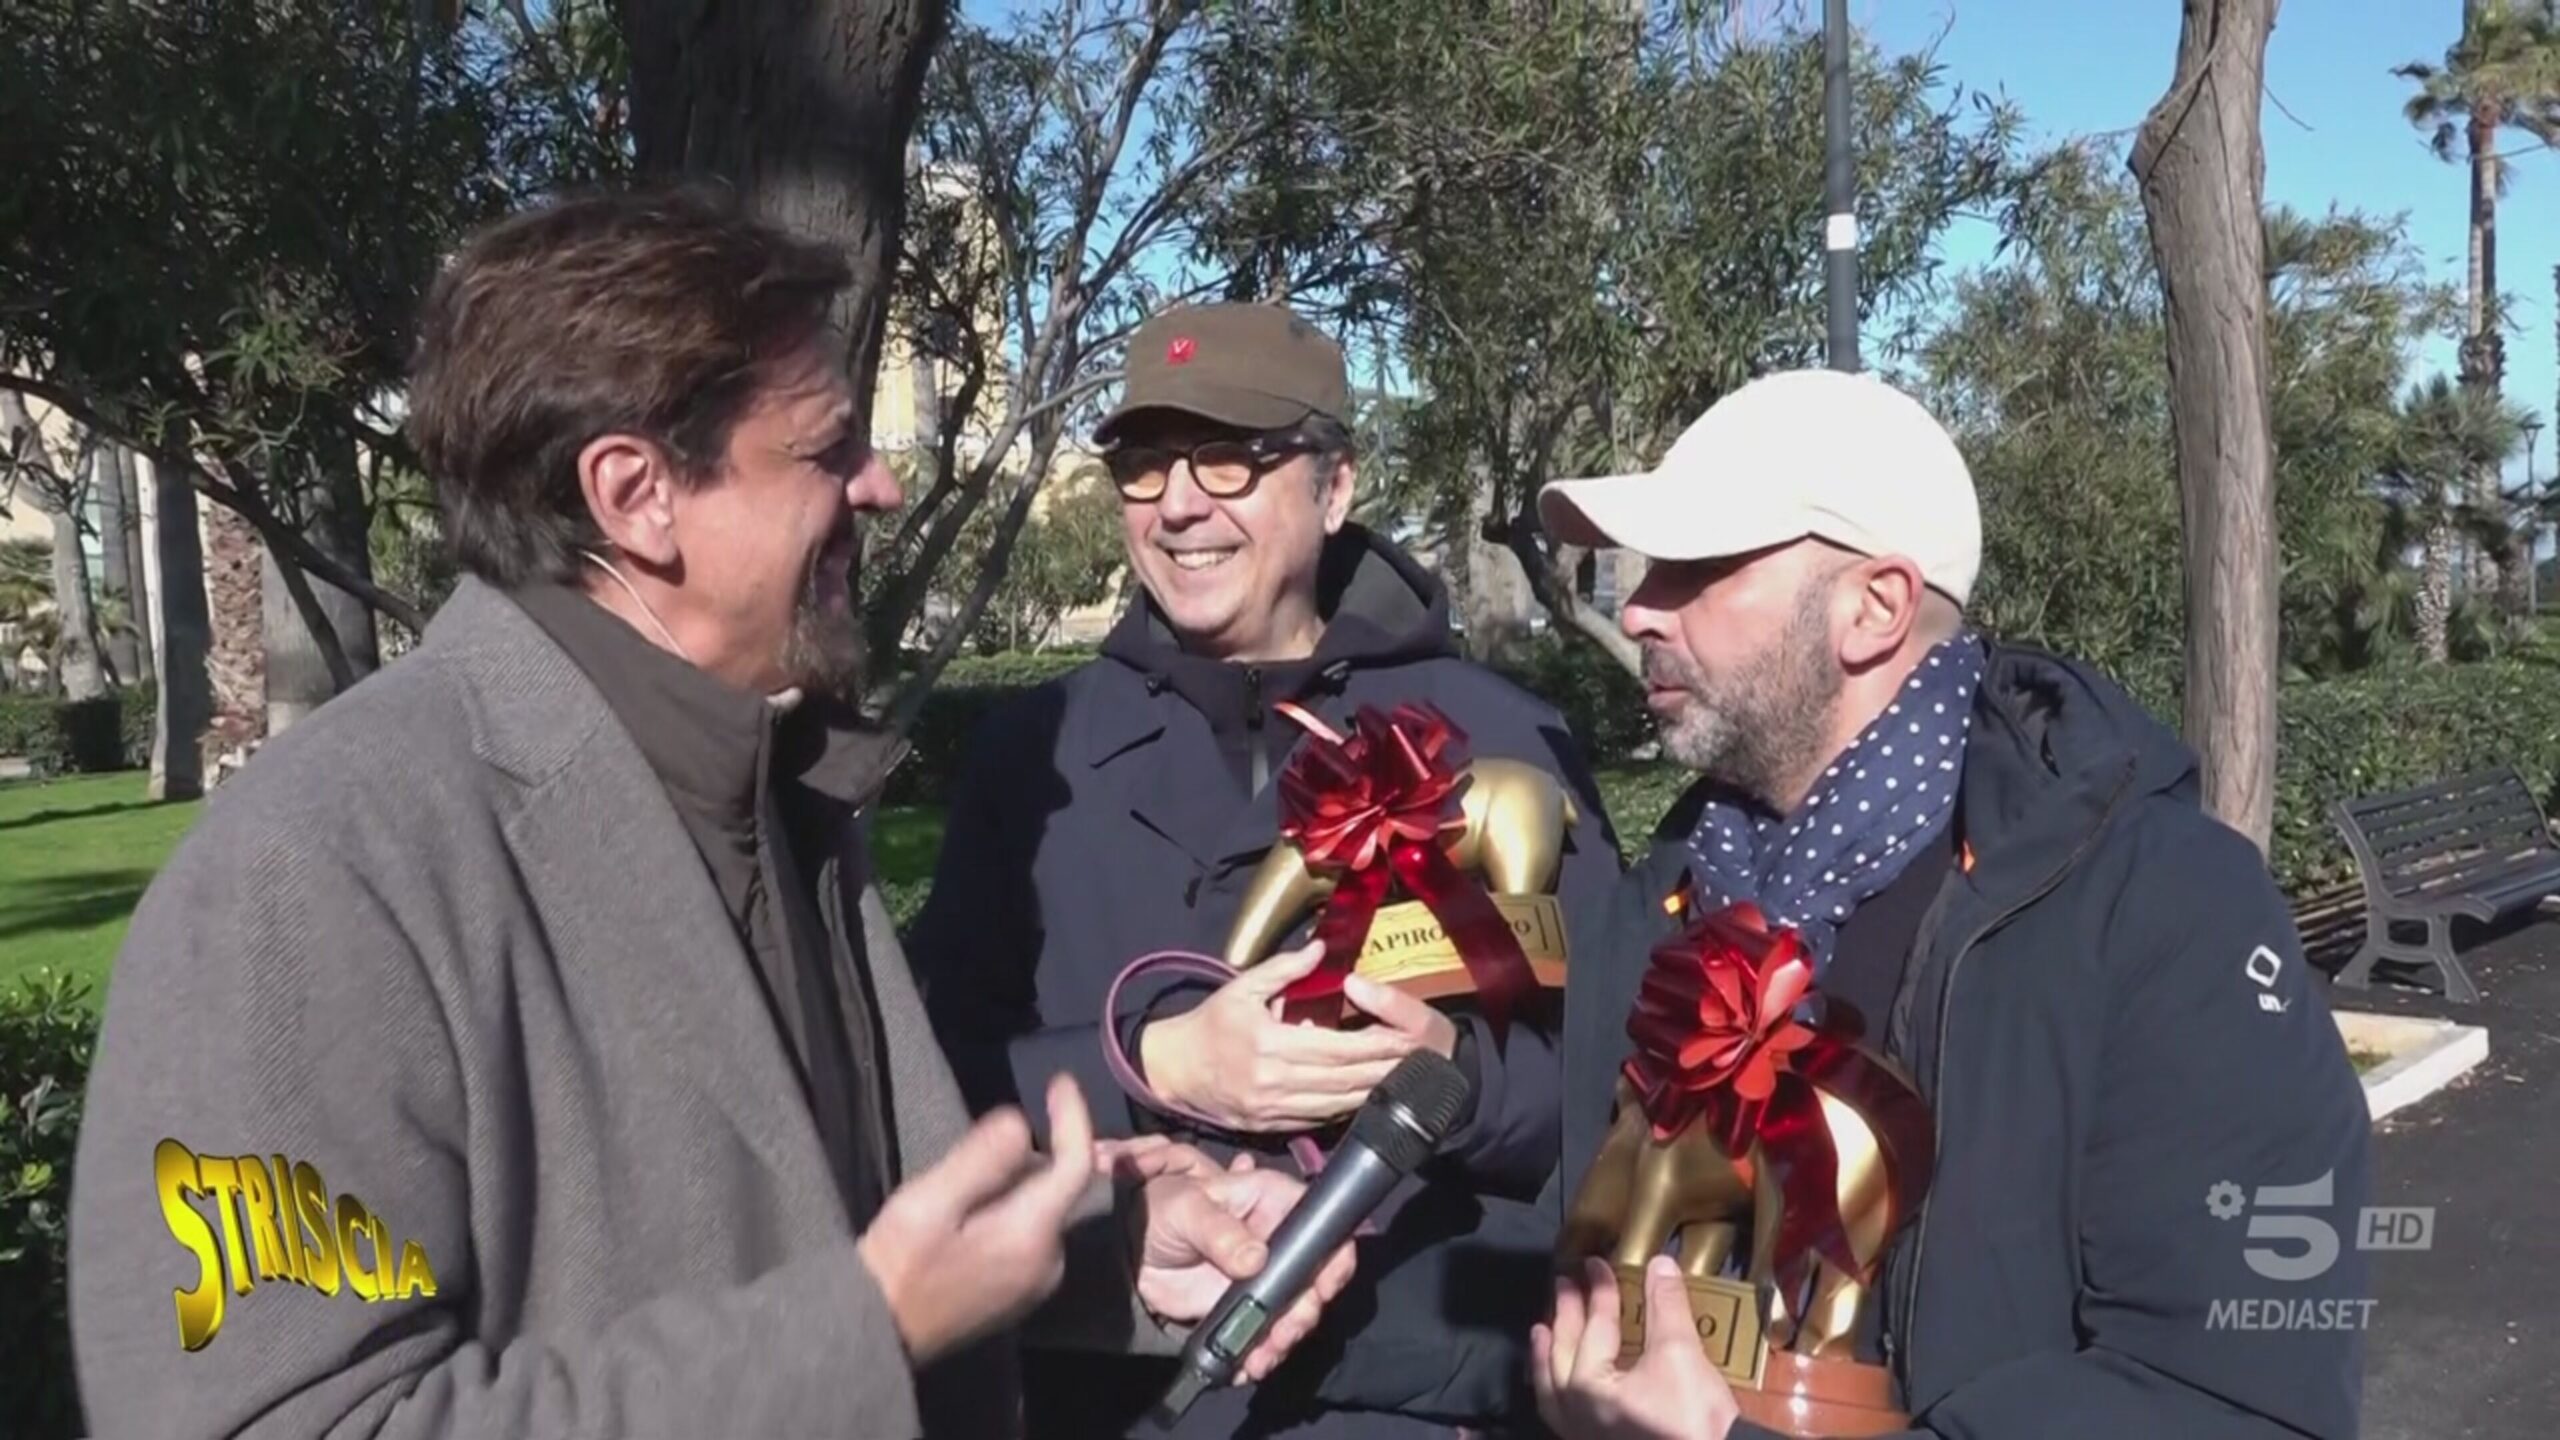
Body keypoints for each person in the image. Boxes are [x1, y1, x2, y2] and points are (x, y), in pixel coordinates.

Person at [66, 188, 1353, 1440]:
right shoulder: (314, 872)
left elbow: (800, 1224)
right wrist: (866, 1330)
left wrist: (1095, 1252)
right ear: (635, 495)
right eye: (826, 450)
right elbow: (282, 1418)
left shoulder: (780, 796)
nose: (879, 485)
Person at [1334, 369, 2372, 1438]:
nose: (1638, 608)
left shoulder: (2160, 906)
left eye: (1698, 568)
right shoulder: (1676, 891)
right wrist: (1334, 1279)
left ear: (1874, 607)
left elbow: (2234, 1402)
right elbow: (1590, 1275)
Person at [906, 301, 1626, 1436]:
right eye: (1146, 464)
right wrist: (1154, 1062)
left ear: (1335, 488)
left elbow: (1615, 1099)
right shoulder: (1030, 757)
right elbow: (925, 1078)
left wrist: (1453, 1085)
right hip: (1105, 1396)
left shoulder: (1499, 743)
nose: (1178, 503)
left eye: (1231, 458)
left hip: (1400, 1399)